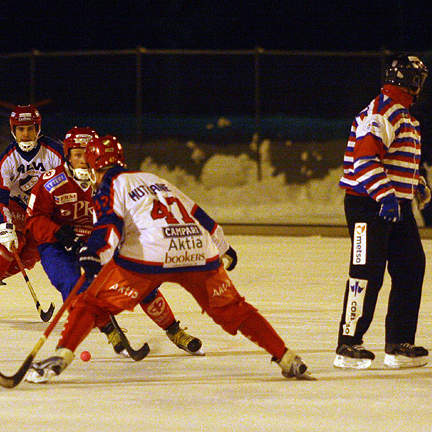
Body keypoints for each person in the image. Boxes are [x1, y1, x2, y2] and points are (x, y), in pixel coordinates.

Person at [24, 135, 312, 383]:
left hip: (153, 254)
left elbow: (109, 223)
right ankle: (286, 357)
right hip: (198, 250)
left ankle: (61, 356)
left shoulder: (109, 184)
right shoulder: (154, 179)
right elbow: (198, 213)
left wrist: (93, 254)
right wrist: (223, 247)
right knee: (233, 308)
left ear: (95, 166)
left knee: (91, 302)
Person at [25, 127, 204, 362]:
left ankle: (174, 330)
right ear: (67, 155)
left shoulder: (110, 181)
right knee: (72, 285)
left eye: (87, 154)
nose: (83, 161)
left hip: (97, 239)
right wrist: (59, 232)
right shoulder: (50, 182)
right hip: (58, 243)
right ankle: (111, 332)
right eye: (77, 154)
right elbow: (33, 219)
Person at [334, 53, 431, 370]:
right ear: (413, 82)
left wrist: (415, 184)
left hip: (394, 204)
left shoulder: (400, 112)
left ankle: (399, 343)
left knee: (411, 266)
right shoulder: (383, 110)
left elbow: (395, 158)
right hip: (367, 204)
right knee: (365, 272)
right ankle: (348, 344)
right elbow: (365, 161)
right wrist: (386, 197)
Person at [0, 105, 65, 318]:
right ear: (13, 131)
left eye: (30, 128)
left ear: (38, 129)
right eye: (20, 129)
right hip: (16, 206)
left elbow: (66, 187)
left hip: (42, 210)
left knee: (30, 258)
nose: (26, 134)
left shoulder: (55, 152)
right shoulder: (7, 159)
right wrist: (3, 224)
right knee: (12, 244)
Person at [410, 99, 432, 227]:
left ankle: (403, 224)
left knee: (404, 197)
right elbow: (430, 137)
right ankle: (431, 225)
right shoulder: (424, 115)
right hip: (417, 163)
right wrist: (429, 155)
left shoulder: (410, 115)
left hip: (410, 163)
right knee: (422, 194)